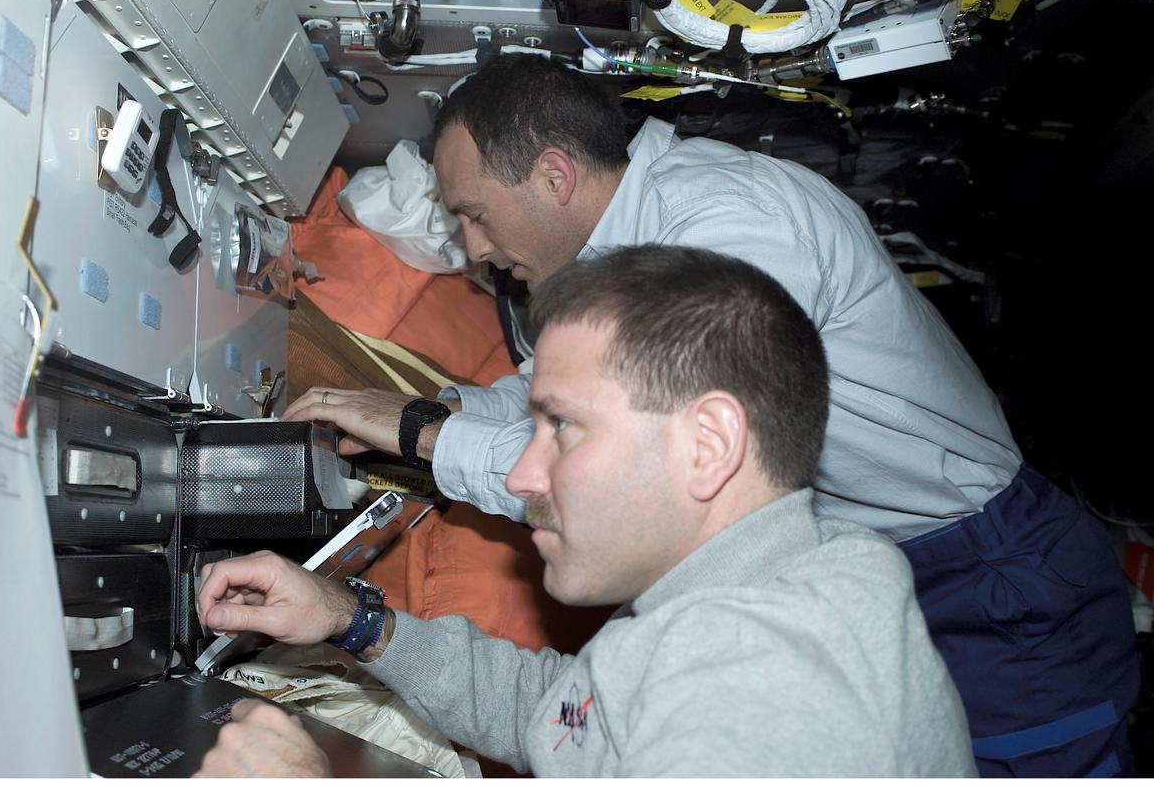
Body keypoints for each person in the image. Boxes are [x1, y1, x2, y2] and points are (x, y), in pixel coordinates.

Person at [283, 55, 1139, 777]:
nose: (472, 247)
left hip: (988, 573)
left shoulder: (729, 226)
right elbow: (551, 386)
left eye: (474, 214)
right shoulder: (632, 253)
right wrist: (435, 411)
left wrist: (426, 438)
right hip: (875, 554)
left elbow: (638, 472)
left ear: (554, 175)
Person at [196, 246, 976, 778]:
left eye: (562, 426)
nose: (524, 473)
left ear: (708, 444)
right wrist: (351, 617)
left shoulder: (760, 691)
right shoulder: (774, 579)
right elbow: (561, 713)